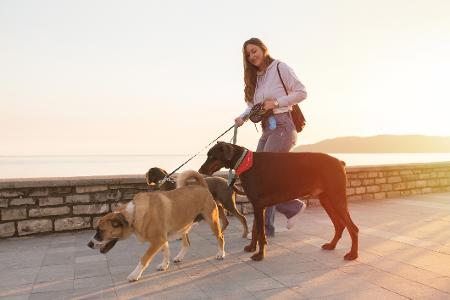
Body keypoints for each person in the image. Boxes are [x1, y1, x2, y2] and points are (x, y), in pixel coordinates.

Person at [234, 37, 307, 237]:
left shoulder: (279, 67)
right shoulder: (256, 78)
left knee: (264, 176)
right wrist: (242, 118)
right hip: (268, 128)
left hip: (283, 125)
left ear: (263, 49)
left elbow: (302, 92)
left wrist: (277, 102)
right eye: (248, 54)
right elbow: (253, 107)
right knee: (259, 175)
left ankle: (288, 209)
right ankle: (268, 226)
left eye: (254, 51)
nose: (252, 56)